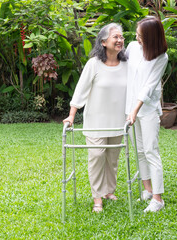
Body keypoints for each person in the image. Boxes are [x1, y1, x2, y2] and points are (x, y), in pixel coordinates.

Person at [63, 23, 127, 213]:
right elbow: (80, 91)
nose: (119, 40)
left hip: (117, 121)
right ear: (103, 42)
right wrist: (71, 115)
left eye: (121, 37)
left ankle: (109, 191)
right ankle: (97, 197)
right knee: (97, 156)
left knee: (112, 158)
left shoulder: (127, 65)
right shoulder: (94, 64)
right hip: (96, 122)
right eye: (115, 37)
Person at [125, 16, 168, 212]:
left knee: (151, 151)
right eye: (137, 34)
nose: (136, 37)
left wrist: (136, 109)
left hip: (147, 109)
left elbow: (149, 87)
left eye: (140, 35)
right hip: (130, 108)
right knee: (139, 151)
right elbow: (122, 69)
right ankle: (148, 190)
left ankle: (158, 199)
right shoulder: (133, 47)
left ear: (151, 37)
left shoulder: (161, 57)